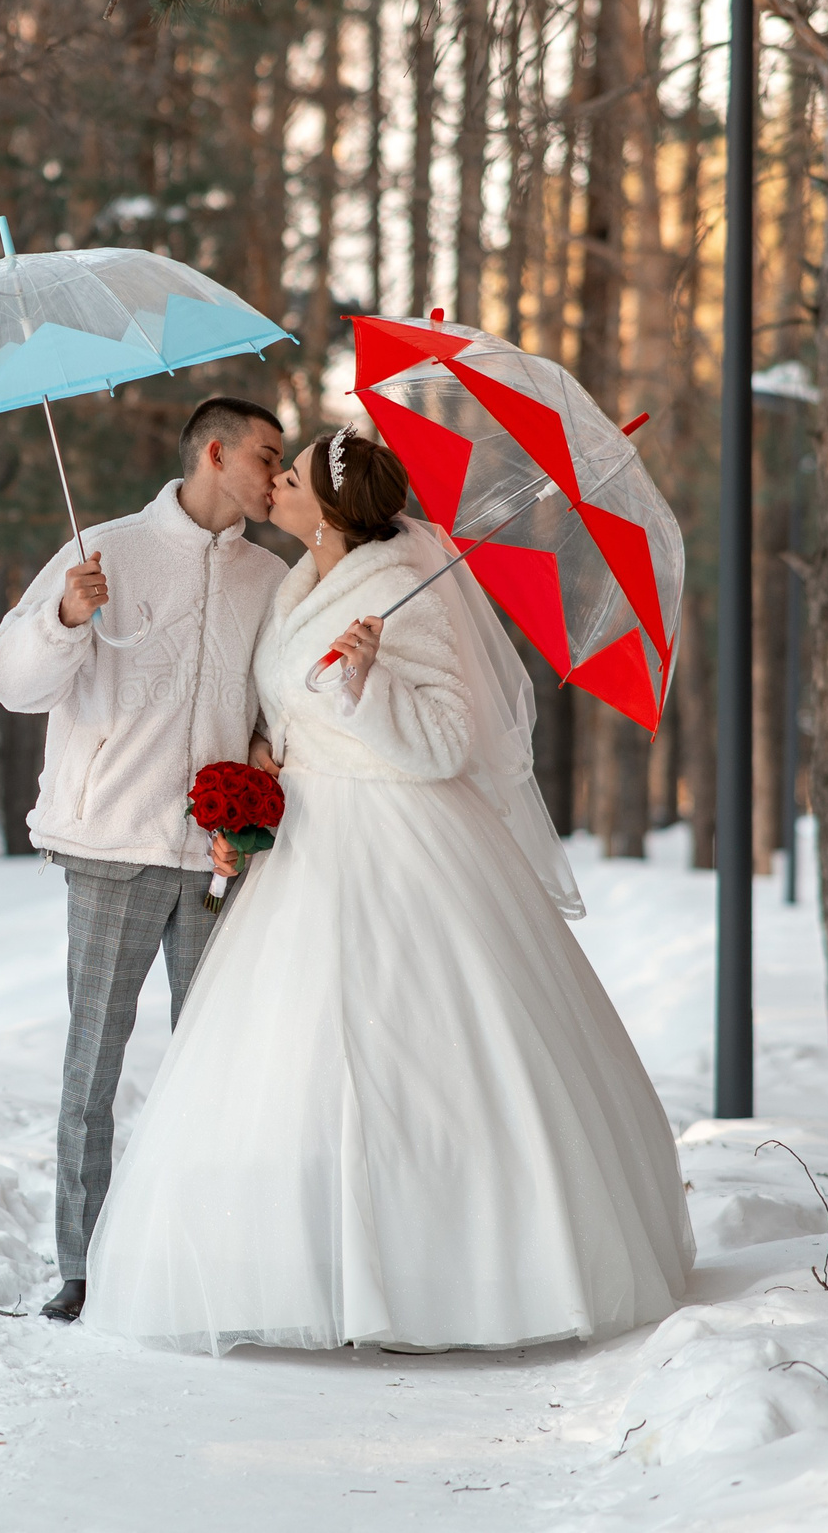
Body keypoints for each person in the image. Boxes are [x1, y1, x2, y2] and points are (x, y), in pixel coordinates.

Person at [79, 427, 693, 1355]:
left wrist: (370, 686)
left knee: (418, 1054)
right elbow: (290, 705)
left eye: (288, 479)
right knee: (295, 1058)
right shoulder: (299, 584)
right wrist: (264, 756)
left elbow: (446, 740)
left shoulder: (413, 592)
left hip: (402, 839)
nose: (273, 488)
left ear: (326, 509)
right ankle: (301, 1268)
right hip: (307, 840)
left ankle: (448, 1276)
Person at [0, 396, 290, 1324]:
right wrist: (64, 617)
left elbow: (271, 706)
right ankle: (82, 1268)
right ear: (214, 450)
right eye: (267, 456)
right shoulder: (104, 548)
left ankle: (194, 1257)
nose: (279, 476)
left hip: (215, 858)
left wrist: (265, 766)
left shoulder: (270, 579)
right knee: (94, 1067)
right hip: (111, 845)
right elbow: (11, 680)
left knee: (215, 1067)